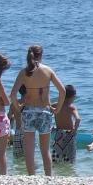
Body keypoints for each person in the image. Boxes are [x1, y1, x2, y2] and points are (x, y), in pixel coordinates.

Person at [9, 45, 65, 176]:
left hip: (28, 112)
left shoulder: (24, 72)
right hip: (45, 112)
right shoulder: (48, 70)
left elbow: (12, 95)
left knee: (29, 149)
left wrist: (19, 108)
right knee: (45, 150)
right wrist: (57, 109)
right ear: (41, 55)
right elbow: (62, 91)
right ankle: (48, 177)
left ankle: (31, 177)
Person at [51, 84, 81, 163]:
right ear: (73, 96)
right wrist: (74, 130)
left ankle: (56, 172)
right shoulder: (71, 107)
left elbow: (46, 113)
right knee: (70, 158)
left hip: (59, 133)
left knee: (57, 156)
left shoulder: (55, 105)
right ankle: (69, 173)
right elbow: (78, 119)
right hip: (69, 134)